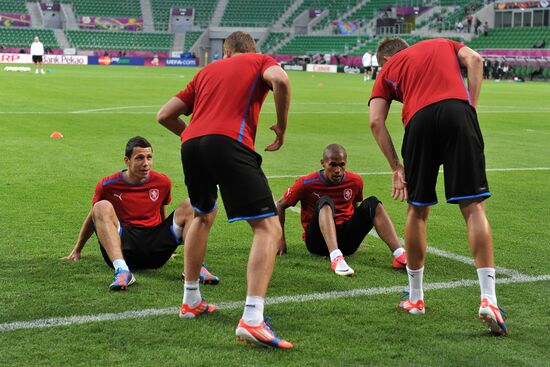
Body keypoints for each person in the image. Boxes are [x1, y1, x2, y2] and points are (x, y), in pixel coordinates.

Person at [156, 31, 292, 349]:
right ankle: (253, 318)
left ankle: (191, 300)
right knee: (268, 227)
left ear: (225, 51)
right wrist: (282, 125)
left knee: (203, 215)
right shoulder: (260, 61)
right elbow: (281, 81)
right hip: (229, 142)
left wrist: (196, 134)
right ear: (250, 50)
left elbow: (164, 115)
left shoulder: (206, 72)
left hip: (191, 145)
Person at [368, 37, 508, 335]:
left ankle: (416, 298)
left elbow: (376, 122)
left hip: (418, 123)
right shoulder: (442, 43)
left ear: (384, 58)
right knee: (473, 206)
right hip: (458, 112)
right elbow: (476, 61)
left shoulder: (387, 69)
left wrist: (396, 166)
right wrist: (470, 107)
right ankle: (489, 298)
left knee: (417, 211)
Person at [62, 136, 220, 290]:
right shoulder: (107, 185)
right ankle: (122, 271)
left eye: (149, 157)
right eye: (139, 158)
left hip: (155, 248)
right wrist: (77, 249)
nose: (146, 163)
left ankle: (194, 269)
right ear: (127, 160)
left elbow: (160, 210)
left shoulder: (163, 182)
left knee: (192, 204)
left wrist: (168, 246)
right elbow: (94, 217)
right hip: (124, 247)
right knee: (101, 206)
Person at [276, 144, 407, 276]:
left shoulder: (355, 181)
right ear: (323, 163)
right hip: (317, 243)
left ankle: (400, 255)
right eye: (332, 165)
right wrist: (280, 240)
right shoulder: (306, 183)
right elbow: (280, 205)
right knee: (325, 201)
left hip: (346, 243)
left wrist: (355, 237)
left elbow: (354, 209)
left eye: (341, 165)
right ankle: (336, 258)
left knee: (373, 203)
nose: (337, 170)